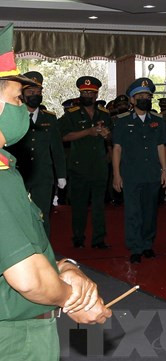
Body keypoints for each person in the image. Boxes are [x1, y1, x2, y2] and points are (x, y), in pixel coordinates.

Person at [0, 24, 112, 361]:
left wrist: (65, 265)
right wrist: (72, 299)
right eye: (17, 98)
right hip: (14, 340)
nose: (22, 105)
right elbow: (29, 279)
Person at [112, 78, 166, 263]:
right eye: (140, 96)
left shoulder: (158, 122)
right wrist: (116, 175)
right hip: (131, 174)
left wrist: (165, 170)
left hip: (152, 173)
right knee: (133, 212)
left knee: (150, 211)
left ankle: (147, 244)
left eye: (147, 96)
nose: (144, 99)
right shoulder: (122, 122)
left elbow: (161, 147)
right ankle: (135, 246)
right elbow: (117, 149)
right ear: (132, 100)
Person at [6, 71, 67, 236]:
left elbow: (57, 149)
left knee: (42, 216)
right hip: (18, 174)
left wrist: (61, 175)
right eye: (30, 92)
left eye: (38, 92)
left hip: (43, 176)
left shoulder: (50, 118)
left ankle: (44, 252)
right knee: (18, 215)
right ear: (23, 94)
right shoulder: (12, 116)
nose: (34, 95)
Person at [58, 76, 113, 248]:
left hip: (99, 167)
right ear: (80, 94)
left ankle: (98, 240)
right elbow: (63, 136)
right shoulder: (71, 115)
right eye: (84, 92)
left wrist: (107, 136)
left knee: (99, 207)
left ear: (97, 95)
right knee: (79, 206)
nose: (87, 95)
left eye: (91, 92)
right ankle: (78, 238)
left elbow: (112, 136)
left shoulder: (104, 114)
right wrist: (87, 132)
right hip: (79, 168)